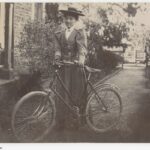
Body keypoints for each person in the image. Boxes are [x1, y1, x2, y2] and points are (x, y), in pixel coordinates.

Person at [54, 7, 87, 130]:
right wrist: (57, 57)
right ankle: (61, 121)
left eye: (71, 18)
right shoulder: (60, 32)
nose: (68, 21)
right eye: (66, 18)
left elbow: (82, 48)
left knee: (75, 94)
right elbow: (57, 47)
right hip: (63, 67)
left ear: (75, 20)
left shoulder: (79, 32)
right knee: (61, 94)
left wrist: (81, 59)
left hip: (74, 67)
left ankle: (76, 121)